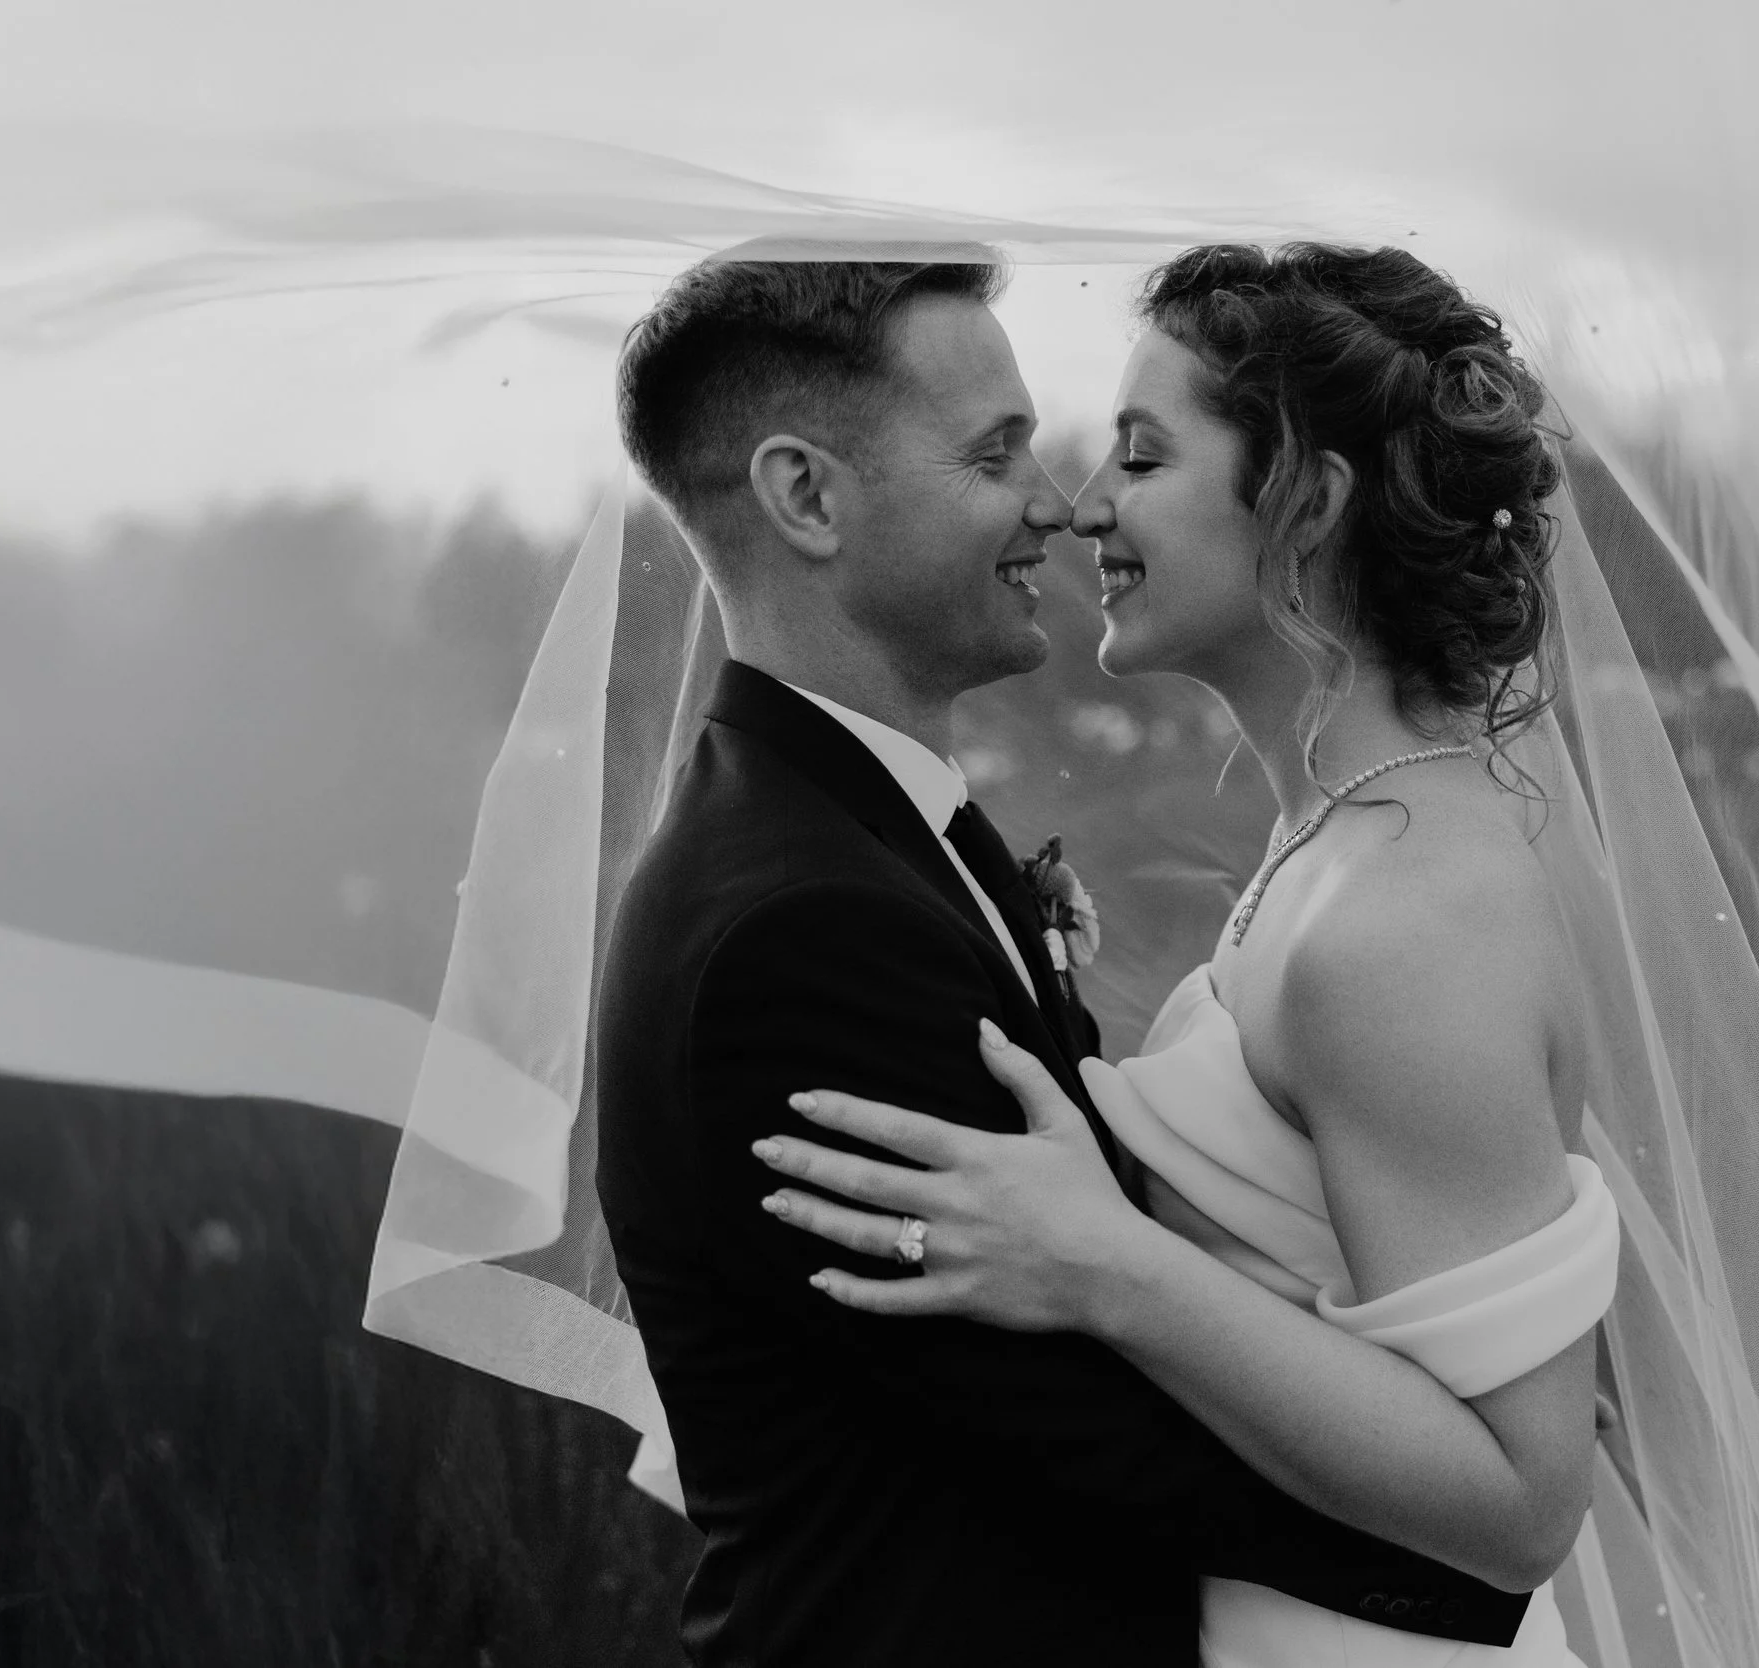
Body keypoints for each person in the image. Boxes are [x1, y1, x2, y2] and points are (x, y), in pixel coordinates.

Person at [592, 254, 1538, 1668]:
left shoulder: (883, 847)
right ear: (805, 497)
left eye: (1109, 452)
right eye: (996, 453)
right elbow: (1089, 1418)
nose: (1062, 501)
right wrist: (1493, 1544)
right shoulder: (797, 927)